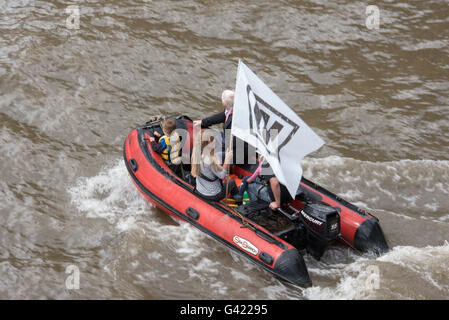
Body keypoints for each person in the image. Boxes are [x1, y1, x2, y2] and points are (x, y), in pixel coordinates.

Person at [191, 126, 239, 201]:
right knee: (231, 182)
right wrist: (227, 160)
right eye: (212, 141)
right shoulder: (210, 159)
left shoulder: (195, 154)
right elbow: (222, 175)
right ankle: (238, 199)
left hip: (200, 189)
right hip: (213, 194)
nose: (215, 142)